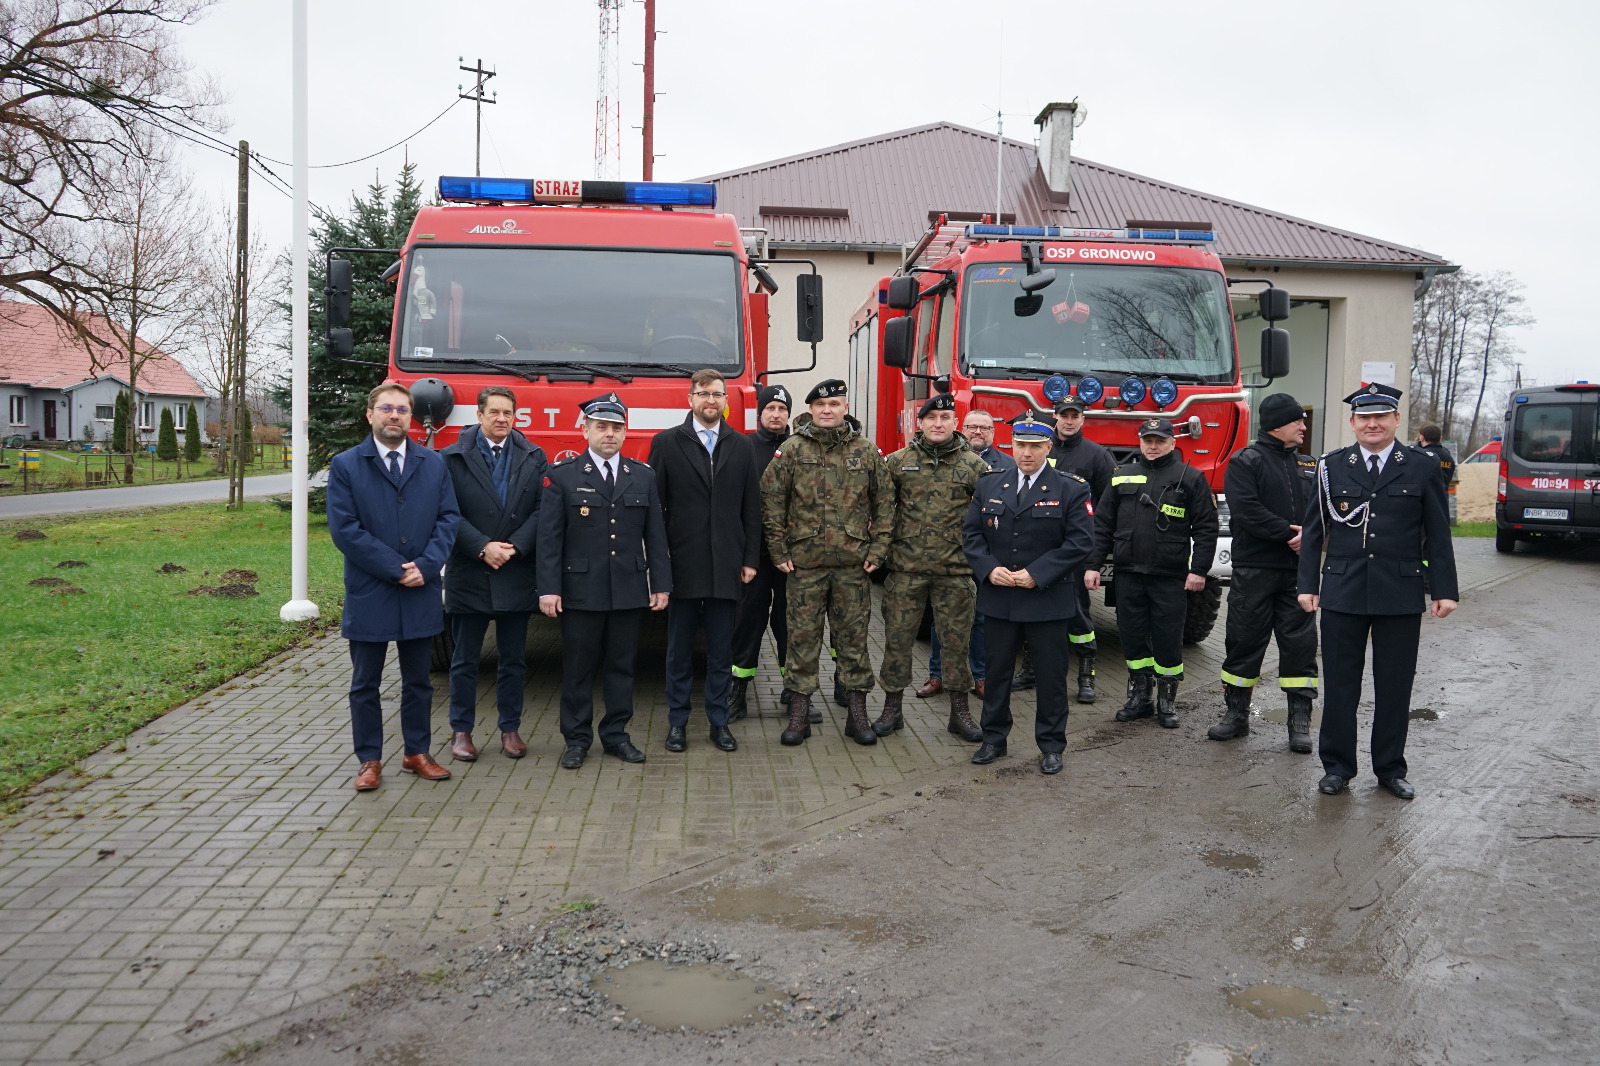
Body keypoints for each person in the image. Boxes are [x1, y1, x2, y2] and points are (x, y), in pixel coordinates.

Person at [1298, 382, 1458, 800]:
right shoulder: (1331, 466)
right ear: (1353, 422)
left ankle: (1389, 769)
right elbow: (1314, 531)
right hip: (1343, 590)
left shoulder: (1422, 466)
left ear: (1396, 420)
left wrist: (1445, 589)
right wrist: (1307, 584)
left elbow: (1438, 533)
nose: (1372, 424)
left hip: (1399, 592)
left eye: (1380, 416)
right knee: (1340, 685)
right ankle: (1337, 768)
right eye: (1364, 417)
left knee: (1394, 686)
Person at [327, 382, 461, 791]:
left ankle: (416, 752)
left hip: (420, 588)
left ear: (410, 417)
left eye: (402, 410)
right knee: (365, 684)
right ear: (370, 415)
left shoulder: (433, 463)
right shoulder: (346, 465)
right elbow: (345, 529)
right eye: (386, 408)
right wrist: (395, 568)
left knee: (419, 682)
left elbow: (449, 518)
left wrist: (428, 565)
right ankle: (369, 760)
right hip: (371, 591)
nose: (394, 416)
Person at [537, 393, 671, 769]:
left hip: (628, 589)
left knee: (622, 668)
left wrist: (661, 584)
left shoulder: (642, 476)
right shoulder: (562, 476)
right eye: (601, 427)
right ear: (585, 430)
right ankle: (577, 739)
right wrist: (549, 589)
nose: (609, 434)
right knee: (578, 668)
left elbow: (656, 536)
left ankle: (616, 736)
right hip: (581, 590)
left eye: (616, 428)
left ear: (625, 432)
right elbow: (550, 539)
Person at [759, 379, 893, 746]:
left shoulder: (866, 451)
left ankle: (857, 715)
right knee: (802, 642)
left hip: (853, 566)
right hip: (805, 567)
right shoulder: (792, 449)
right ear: (811, 409)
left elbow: (886, 503)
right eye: (821, 405)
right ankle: (799, 714)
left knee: (854, 642)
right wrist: (778, 551)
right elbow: (771, 501)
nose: (827, 410)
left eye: (834, 404)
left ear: (845, 407)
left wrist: (878, 551)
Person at [962, 415, 1096, 774]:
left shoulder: (1071, 488)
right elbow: (972, 535)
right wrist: (988, 569)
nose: (1027, 453)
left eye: (1035, 446)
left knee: (1051, 677)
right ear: (1012, 445)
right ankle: (994, 738)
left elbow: (1080, 542)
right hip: (1000, 596)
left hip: (1046, 599)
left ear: (1048, 448)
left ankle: (1051, 745)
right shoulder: (990, 483)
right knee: (996, 673)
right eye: (1021, 445)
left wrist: (1037, 574)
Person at [648, 369, 761, 754]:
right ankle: (677, 723)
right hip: (682, 564)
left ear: (725, 400)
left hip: (727, 564)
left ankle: (719, 722)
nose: (710, 400)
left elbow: (751, 508)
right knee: (679, 652)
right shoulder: (666, 443)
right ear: (690, 399)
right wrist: (659, 564)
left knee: (721, 652)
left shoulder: (742, 446)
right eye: (703, 394)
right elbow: (654, 510)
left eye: (716, 394)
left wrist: (749, 559)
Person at [1085, 417, 1218, 729]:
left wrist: (1199, 570)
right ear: (1140, 442)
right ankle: (1140, 697)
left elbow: (1206, 528)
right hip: (1128, 573)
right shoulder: (1121, 475)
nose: (1153, 446)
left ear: (1173, 443)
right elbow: (1102, 525)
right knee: (1131, 636)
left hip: (1169, 575)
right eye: (1148, 440)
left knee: (1168, 638)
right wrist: (1092, 565)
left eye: (1160, 441)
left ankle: (1166, 700)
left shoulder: (1191, 477)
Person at [873, 392, 990, 742]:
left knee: (957, 645)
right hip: (905, 572)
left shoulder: (974, 466)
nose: (938, 424)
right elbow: (881, 512)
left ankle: (960, 713)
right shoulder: (897, 462)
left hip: (955, 572)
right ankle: (892, 710)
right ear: (920, 422)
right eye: (931, 419)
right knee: (897, 642)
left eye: (945, 418)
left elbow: (988, 518)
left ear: (955, 423)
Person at [439, 385, 548, 761]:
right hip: (470, 569)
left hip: (515, 569)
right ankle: (461, 731)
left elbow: (542, 509)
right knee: (465, 660)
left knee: (513, 661)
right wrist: (483, 546)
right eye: (494, 412)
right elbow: (446, 512)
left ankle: (510, 730)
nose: (502, 419)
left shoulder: (534, 455)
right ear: (479, 415)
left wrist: (514, 546)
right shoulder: (451, 457)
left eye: (508, 413)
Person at [1209, 393, 1319, 751]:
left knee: (1301, 647)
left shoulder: (1310, 465)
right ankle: (1236, 715)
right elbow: (1246, 510)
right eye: (1297, 420)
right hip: (1254, 571)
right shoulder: (1245, 461)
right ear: (1277, 424)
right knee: (1244, 642)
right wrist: (1290, 535)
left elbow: (1323, 511)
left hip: (1297, 574)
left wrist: (1312, 538)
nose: (1303, 427)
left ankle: (1299, 723)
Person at [921, 408, 1014, 699]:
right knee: (941, 617)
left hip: (986, 554)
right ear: (962, 428)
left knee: (981, 618)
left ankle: (980, 676)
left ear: (993, 432)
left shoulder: (1007, 465)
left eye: (984, 427)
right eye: (972, 426)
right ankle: (937, 674)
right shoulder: (949, 458)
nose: (978, 432)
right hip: (950, 552)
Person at [730, 384, 803, 719]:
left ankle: (794, 690)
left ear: (789, 414)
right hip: (754, 555)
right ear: (760, 412)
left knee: (791, 623)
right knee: (748, 621)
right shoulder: (743, 447)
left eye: (782, 409)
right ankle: (737, 691)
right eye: (770, 408)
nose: (776, 415)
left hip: (792, 556)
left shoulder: (800, 448)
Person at [1047, 396, 1116, 702]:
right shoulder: (1041, 448)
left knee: (1077, 612)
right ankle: (1033, 670)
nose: (1069, 421)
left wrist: (1095, 550)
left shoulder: (1097, 455)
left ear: (1082, 420)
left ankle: (1086, 675)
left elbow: (1108, 504)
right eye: (1064, 415)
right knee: (1034, 610)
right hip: (1041, 547)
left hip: (1074, 548)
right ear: (1055, 416)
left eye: (1075, 416)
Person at [1411, 422, 1457, 489]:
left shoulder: (1420, 455)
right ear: (1440, 438)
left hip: (1425, 495)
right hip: (1443, 494)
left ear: (1422, 438)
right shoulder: (1449, 457)